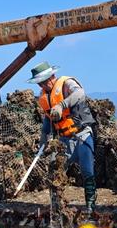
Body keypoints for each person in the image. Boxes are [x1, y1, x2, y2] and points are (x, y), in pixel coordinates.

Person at [29, 61, 97, 213]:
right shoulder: (43, 97)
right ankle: (57, 206)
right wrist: (44, 137)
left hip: (81, 134)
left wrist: (62, 105)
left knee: (87, 171)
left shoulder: (67, 83)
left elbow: (80, 94)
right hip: (64, 140)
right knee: (56, 172)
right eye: (39, 84)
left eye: (43, 82)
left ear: (52, 77)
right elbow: (48, 119)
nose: (42, 86)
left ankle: (91, 206)